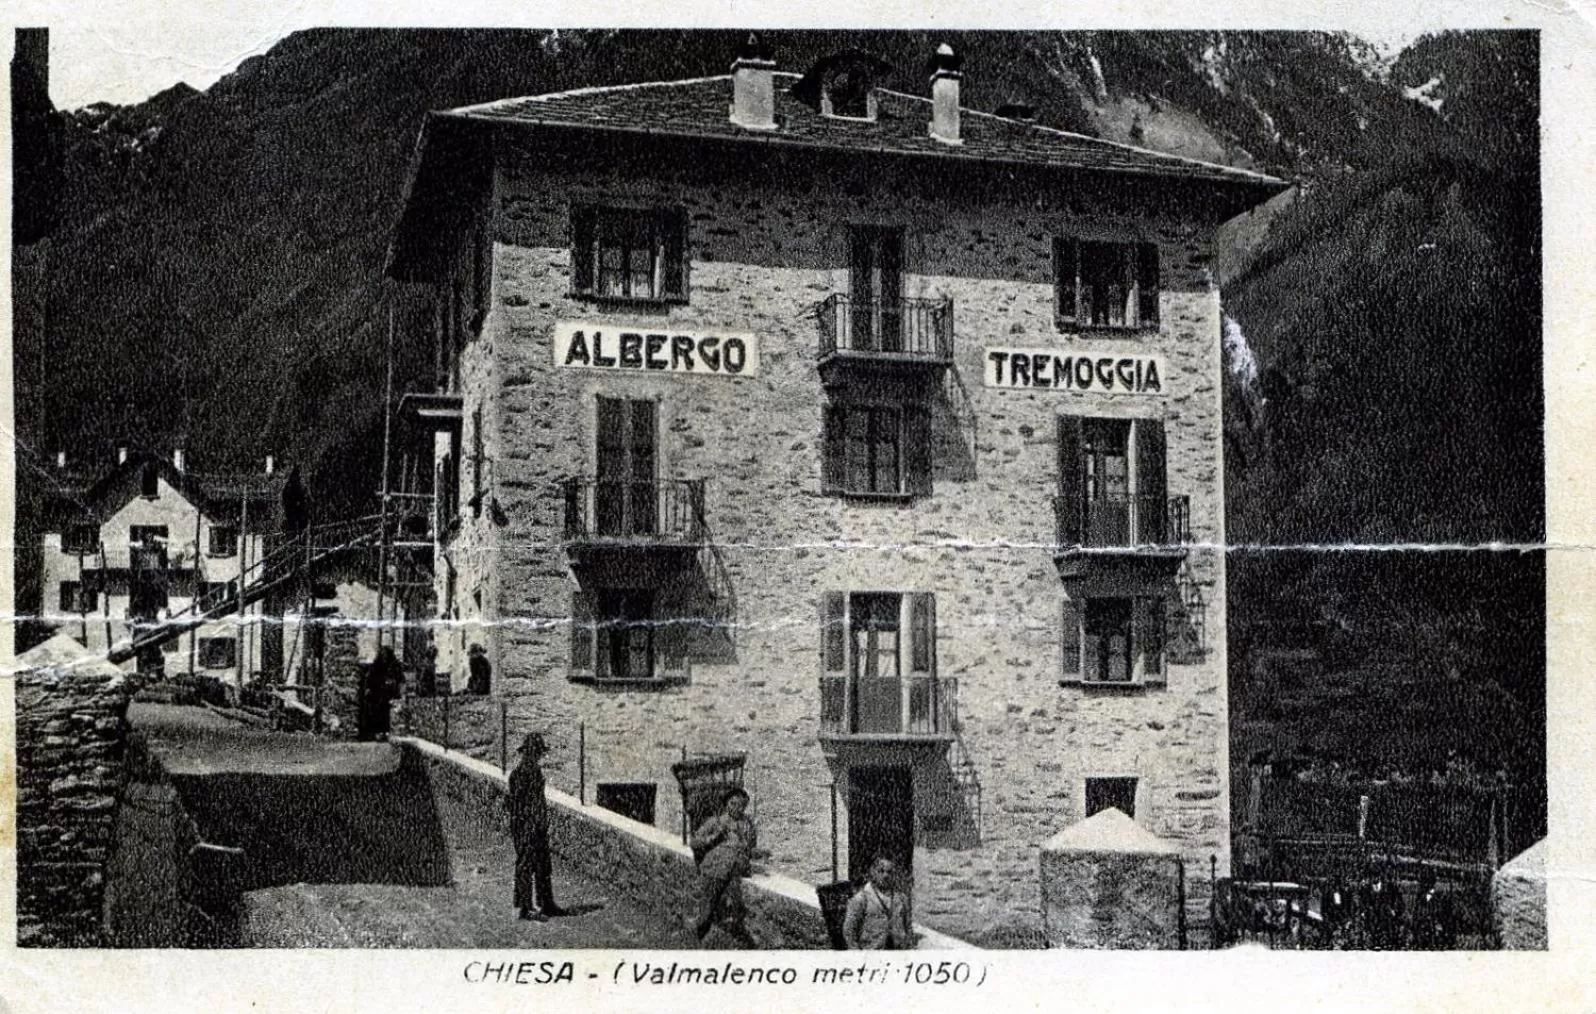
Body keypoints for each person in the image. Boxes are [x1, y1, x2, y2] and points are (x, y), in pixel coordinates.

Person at [507, 732, 566, 921]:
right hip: (525, 826)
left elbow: (539, 800)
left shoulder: (535, 771)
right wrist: (528, 824)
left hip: (538, 824)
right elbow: (517, 804)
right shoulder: (519, 774)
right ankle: (525, 908)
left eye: (538, 752)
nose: (537, 756)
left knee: (543, 864)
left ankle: (546, 903)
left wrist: (541, 820)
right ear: (528, 753)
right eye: (535, 752)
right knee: (525, 864)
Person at [691, 787, 759, 945]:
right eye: (733, 803)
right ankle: (699, 935)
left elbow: (751, 847)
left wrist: (755, 852)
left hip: (736, 867)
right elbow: (695, 842)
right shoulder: (716, 822)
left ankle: (728, 938)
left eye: (740, 805)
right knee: (708, 905)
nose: (736, 808)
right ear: (727, 804)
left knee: (733, 906)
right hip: (716, 867)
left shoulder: (748, 824)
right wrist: (714, 837)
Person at [842, 856, 912, 950]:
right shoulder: (861, 899)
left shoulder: (902, 899)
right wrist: (858, 956)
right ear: (873, 872)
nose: (885, 876)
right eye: (881, 871)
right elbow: (849, 931)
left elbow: (908, 927)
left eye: (889, 872)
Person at [365, 645, 403, 741]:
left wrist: (392, 683)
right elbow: (370, 679)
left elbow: (400, 678)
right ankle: (378, 732)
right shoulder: (376, 665)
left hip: (390, 694)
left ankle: (387, 732)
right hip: (378, 694)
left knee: (388, 713)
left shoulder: (395, 665)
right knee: (378, 713)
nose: (384, 657)